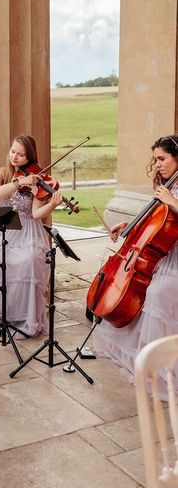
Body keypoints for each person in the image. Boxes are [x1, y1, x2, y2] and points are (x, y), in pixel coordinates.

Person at [93, 135, 178, 391]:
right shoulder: (169, 185)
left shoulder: (171, 192)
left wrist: (172, 202)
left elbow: (169, 211)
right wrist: (129, 225)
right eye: (155, 160)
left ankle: (162, 370)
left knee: (156, 294)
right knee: (143, 293)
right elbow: (157, 220)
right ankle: (146, 359)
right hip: (165, 256)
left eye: (162, 159)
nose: (158, 165)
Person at [0, 134, 63, 336]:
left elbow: (35, 214)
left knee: (31, 260)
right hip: (4, 227)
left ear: (30, 158)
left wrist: (51, 204)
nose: (15, 157)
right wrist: (19, 182)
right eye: (13, 151)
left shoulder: (37, 178)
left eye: (21, 155)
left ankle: (26, 316)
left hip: (28, 229)